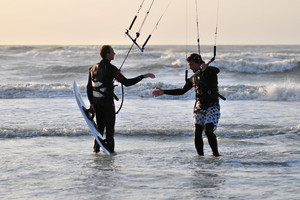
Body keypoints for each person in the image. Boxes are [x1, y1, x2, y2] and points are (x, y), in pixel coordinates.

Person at [87, 45, 155, 153]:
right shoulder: (112, 69)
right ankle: (110, 151)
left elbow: (89, 88)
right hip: (107, 104)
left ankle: (96, 150)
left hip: (97, 103)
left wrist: (91, 103)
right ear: (108, 54)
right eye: (112, 52)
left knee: (99, 127)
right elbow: (127, 83)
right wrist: (143, 76)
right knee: (110, 129)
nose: (114, 53)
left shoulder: (92, 68)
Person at [152, 53, 221, 156]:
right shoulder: (194, 78)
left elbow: (217, 70)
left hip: (212, 106)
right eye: (189, 65)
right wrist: (164, 92)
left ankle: (216, 154)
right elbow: (182, 91)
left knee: (208, 131)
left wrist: (207, 67)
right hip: (200, 107)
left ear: (198, 63)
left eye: (192, 64)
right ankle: (200, 156)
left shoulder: (210, 73)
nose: (190, 67)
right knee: (197, 132)